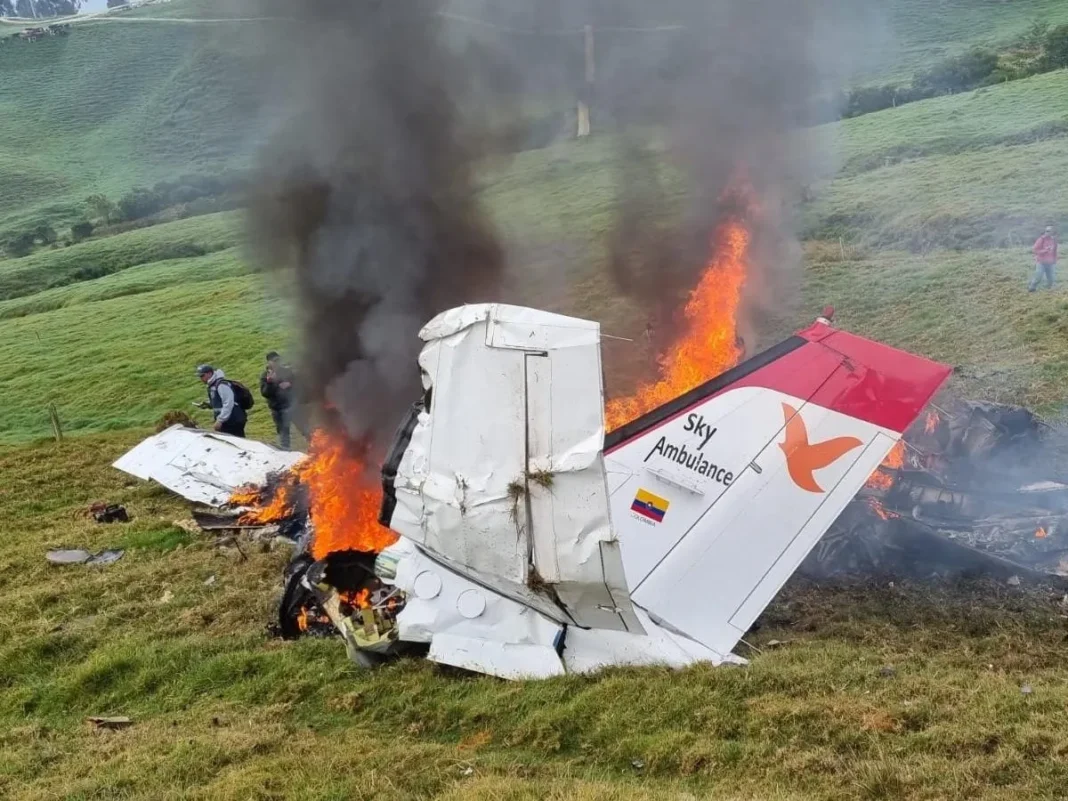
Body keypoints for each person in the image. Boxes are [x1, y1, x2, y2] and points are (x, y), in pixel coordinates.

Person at [259, 351, 306, 449]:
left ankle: (318, 447)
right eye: (274, 361)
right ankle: (286, 454)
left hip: (291, 406)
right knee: (284, 435)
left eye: (278, 360)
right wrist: (270, 383)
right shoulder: (265, 376)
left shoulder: (287, 372)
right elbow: (265, 393)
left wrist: (290, 384)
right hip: (277, 410)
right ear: (269, 362)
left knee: (305, 428)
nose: (277, 362)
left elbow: (299, 384)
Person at [195, 364, 247, 438]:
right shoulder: (213, 385)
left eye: (202, 376)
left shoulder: (221, 385)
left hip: (232, 420)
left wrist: (220, 420)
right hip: (228, 421)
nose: (201, 379)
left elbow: (228, 403)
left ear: (209, 373)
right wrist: (209, 404)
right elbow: (220, 402)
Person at [1029, 226, 1058, 292]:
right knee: (1038, 276)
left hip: (1050, 262)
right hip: (1041, 262)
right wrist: (1044, 250)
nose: (1047, 233)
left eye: (1049, 231)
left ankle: (1048, 290)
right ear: (1045, 231)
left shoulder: (1054, 240)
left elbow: (1055, 251)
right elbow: (1035, 250)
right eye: (1047, 231)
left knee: (1051, 279)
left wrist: (1055, 259)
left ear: (1052, 232)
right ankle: (1032, 287)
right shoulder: (1041, 239)